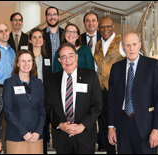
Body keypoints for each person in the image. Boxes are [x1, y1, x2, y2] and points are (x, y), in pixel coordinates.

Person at [107, 33, 158, 154]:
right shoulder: (116, 68)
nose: (131, 48)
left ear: (139, 45)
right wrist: (110, 127)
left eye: (134, 44)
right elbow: (111, 100)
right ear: (123, 47)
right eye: (127, 45)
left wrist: (157, 129)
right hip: (122, 123)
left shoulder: (153, 65)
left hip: (146, 127)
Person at [45, 43, 102, 154]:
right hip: (62, 137)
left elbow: (97, 105)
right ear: (59, 60)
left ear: (76, 57)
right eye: (63, 57)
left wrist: (83, 125)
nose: (68, 60)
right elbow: (48, 106)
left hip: (85, 136)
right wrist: (60, 125)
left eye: (71, 56)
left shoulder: (91, 76)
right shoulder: (51, 80)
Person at [3, 49, 46, 154]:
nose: (26, 64)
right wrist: (24, 133)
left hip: (36, 137)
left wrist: (38, 132)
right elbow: (8, 111)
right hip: (16, 136)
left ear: (33, 63)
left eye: (29, 61)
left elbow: (42, 110)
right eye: (23, 61)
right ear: (17, 63)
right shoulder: (9, 83)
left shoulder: (38, 83)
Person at [94, 16, 126, 154]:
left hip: (120, 90)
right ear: (98, 28)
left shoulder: (122, 41)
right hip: (103, 92)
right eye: (102, 27)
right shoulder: (97, 45)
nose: (105, 29)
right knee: (108, 125)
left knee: (123, 124)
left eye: (108, 26)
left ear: (113, 27)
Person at [81, 11, 104, 151]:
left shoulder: (104, 38)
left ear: (97, 23)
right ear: (84, 24)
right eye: (88, 20)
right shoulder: (79, 39)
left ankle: (101, 140)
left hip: (101, 81)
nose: (90, 23)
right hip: (84, 82)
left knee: (100, 110)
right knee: (85, 111)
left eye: (93, 20)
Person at [0, 22, 16, 154]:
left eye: (6, 30)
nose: (4, 33)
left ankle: (5, 151)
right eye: (0, 31)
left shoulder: (12, 51)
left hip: (10, 89)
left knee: (8, 122)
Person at [28, 28, 53, 154]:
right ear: (30, 40)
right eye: (35, 37)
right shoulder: (27, 58)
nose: (38, 40)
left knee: (43, 127)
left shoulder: (47, 57)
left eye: (40, 37)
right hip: (30, 98)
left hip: (44, 97)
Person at [42, 6, 64, 71]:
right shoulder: (41, 34)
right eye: (49, 15)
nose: (52, 17)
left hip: (62, 72)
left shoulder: (65, 34)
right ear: (46, 18)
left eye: (54, 14)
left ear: (58, 17)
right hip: (46, 73)